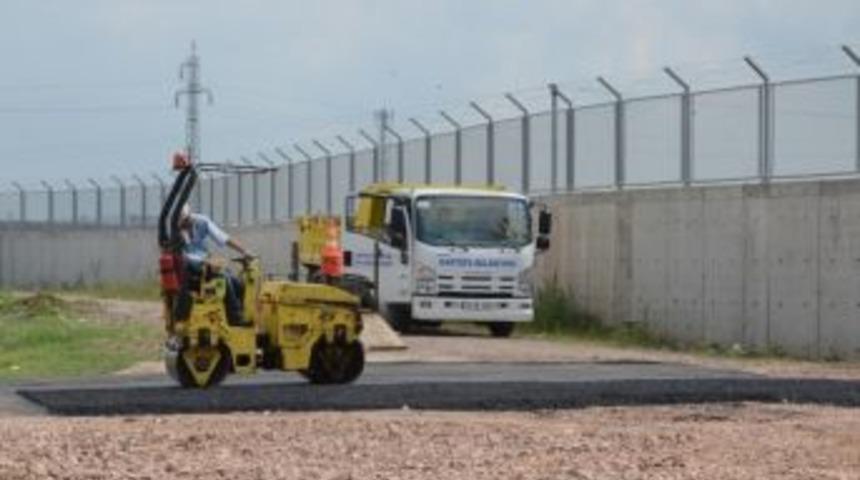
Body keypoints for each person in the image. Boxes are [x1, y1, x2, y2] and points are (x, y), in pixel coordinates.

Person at [175, 204, 253, 326]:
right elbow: (182, 256)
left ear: (190, 216)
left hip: (206, 263)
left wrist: (244, 251)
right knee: (224, 280)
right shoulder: (176, 232)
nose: (186, 224)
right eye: (182, 222)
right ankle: (235, 319)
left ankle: (244, 313)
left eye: (187, 221)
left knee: (236, 282)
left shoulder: (202, 221)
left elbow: (223, 238)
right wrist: (203, 262)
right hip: (190, 269)